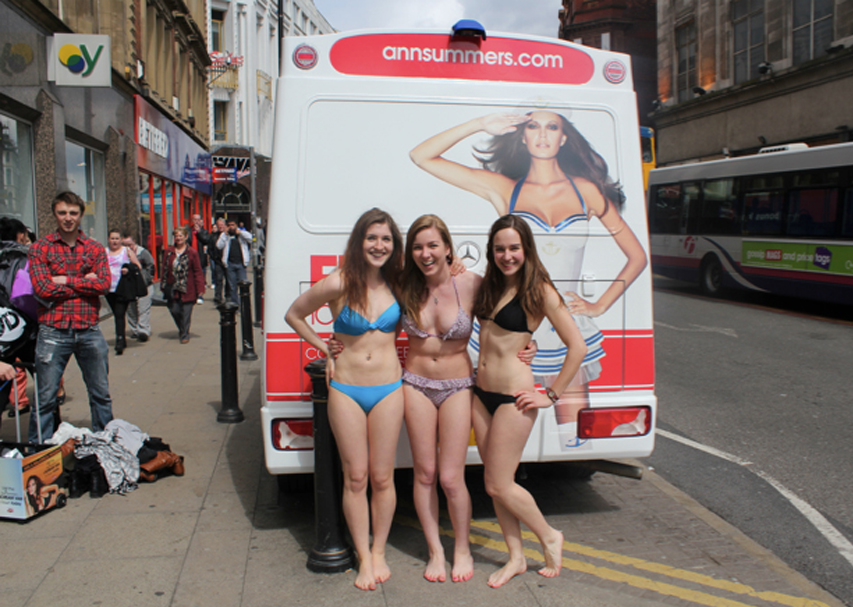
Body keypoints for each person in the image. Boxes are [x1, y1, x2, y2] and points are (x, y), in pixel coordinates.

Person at [411, 110, 647, 449]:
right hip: (508, 327)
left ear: (564, 138)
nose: (542, 134)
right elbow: (421, 156)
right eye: (533, 126)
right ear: (523, 136)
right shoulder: (505, 189)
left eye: (552, 127)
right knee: (491, 448)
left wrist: (598, 306)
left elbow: (637, 256)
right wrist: (479, 124)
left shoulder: (586, 191)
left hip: (561, 325)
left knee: (574, 440)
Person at [285, 208, 405, 591]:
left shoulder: (400, 282)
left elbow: (443, 279)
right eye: (372, 238)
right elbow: (294, 314)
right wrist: (325, 348)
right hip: (347, 389)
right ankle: (364, 556)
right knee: (355, 477)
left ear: (394, 244)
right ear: (359, 241)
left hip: (389, 389)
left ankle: (380, 550)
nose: (379, 245)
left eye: (386, 239)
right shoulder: (339, 282)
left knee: (383, 477)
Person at [472, 215, 587, 588]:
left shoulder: (540, 291)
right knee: (494, 481)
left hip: (514, 398)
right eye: (499, 249)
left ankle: (549, 536)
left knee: (498, 484)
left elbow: (577, 347)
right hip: (481, 394)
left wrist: (550, 394)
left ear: (526, 249)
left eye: (514, 248)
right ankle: (516, 557)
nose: (507, 256)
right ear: (492, 251)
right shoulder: (490, 285)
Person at [28, 191, 114, 443]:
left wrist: (64, 280)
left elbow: (104, 285)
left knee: (100, 394)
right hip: (53, 330)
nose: (68, 218)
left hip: (89, 329)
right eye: (62, 212)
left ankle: (106, 446)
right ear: (55, 214)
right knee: (45, 398)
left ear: (81, 215)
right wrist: (85, 281)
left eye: (73, 213)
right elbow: (42, 289)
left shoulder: (95, 248)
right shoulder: (40, 248)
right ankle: (38, 451)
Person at [161, 227, 205, 344]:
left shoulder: (192, 252)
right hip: (172, 287)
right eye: (176, 236)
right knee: (174, 310)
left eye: (180, 236)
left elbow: (197, 271)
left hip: (188, 287)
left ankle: (185, 334)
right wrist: (163, 285)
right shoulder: (168, 252)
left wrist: (200, 288)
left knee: (186, 312)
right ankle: (182, 328)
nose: (178, 238)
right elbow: (164, 269)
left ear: (186, 237)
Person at [104, 229, 142, 355]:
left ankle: (119, 340)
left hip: (123, 288)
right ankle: (122, 338)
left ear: (120, 240)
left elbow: (138, 266)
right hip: (109, 289)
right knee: (117, 313)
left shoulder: (126, 251)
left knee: (119, 313)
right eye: (112, 238)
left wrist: (128, 269)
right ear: (108, 240)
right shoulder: (104, 252)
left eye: (117, 238)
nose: (114, 241)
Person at [121, 233, 155, 342]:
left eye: (129, 244)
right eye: (124, 245)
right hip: (129, 286)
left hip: (144, 285)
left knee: (143, 309)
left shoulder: (143, 253)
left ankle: (143, 331)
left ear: (134, 242)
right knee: (131, 310)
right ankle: (135, 330)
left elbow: (151, 266)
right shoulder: (120, 254)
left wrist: (146, 279)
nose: (128, 247)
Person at [216, 218, 252, 306]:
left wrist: (241, 233)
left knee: (243, 285)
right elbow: (219, 246)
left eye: (232, 225)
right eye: (229, 225)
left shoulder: (241, 234)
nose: (231, 227)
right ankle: (235, 304)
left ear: (236, 225)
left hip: (241, 264)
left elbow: (252, 239)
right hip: (230, 264)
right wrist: (224, 234)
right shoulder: (225, 235)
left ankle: (244, 304)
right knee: (232, 286)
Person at [189, 214, 210, 304]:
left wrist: (199, 232)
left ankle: (200, 295)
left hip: (200, 258)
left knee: (200, 278)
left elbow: (206, 240)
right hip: (190, 257)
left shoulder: (204, 231)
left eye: (198, 220)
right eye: (195, 219)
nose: (196, 222)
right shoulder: (188, 231)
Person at [209, 217, 227, 304]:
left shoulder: (228, 235)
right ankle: (218, 296)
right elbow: (210, 248)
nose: (220, 227)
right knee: (218, 279)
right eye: (219, 225)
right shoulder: (213, 236)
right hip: (218, 261)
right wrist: (214, 257)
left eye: (222, 225)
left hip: (228, 262)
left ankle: (228, 296)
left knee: (229, 280)